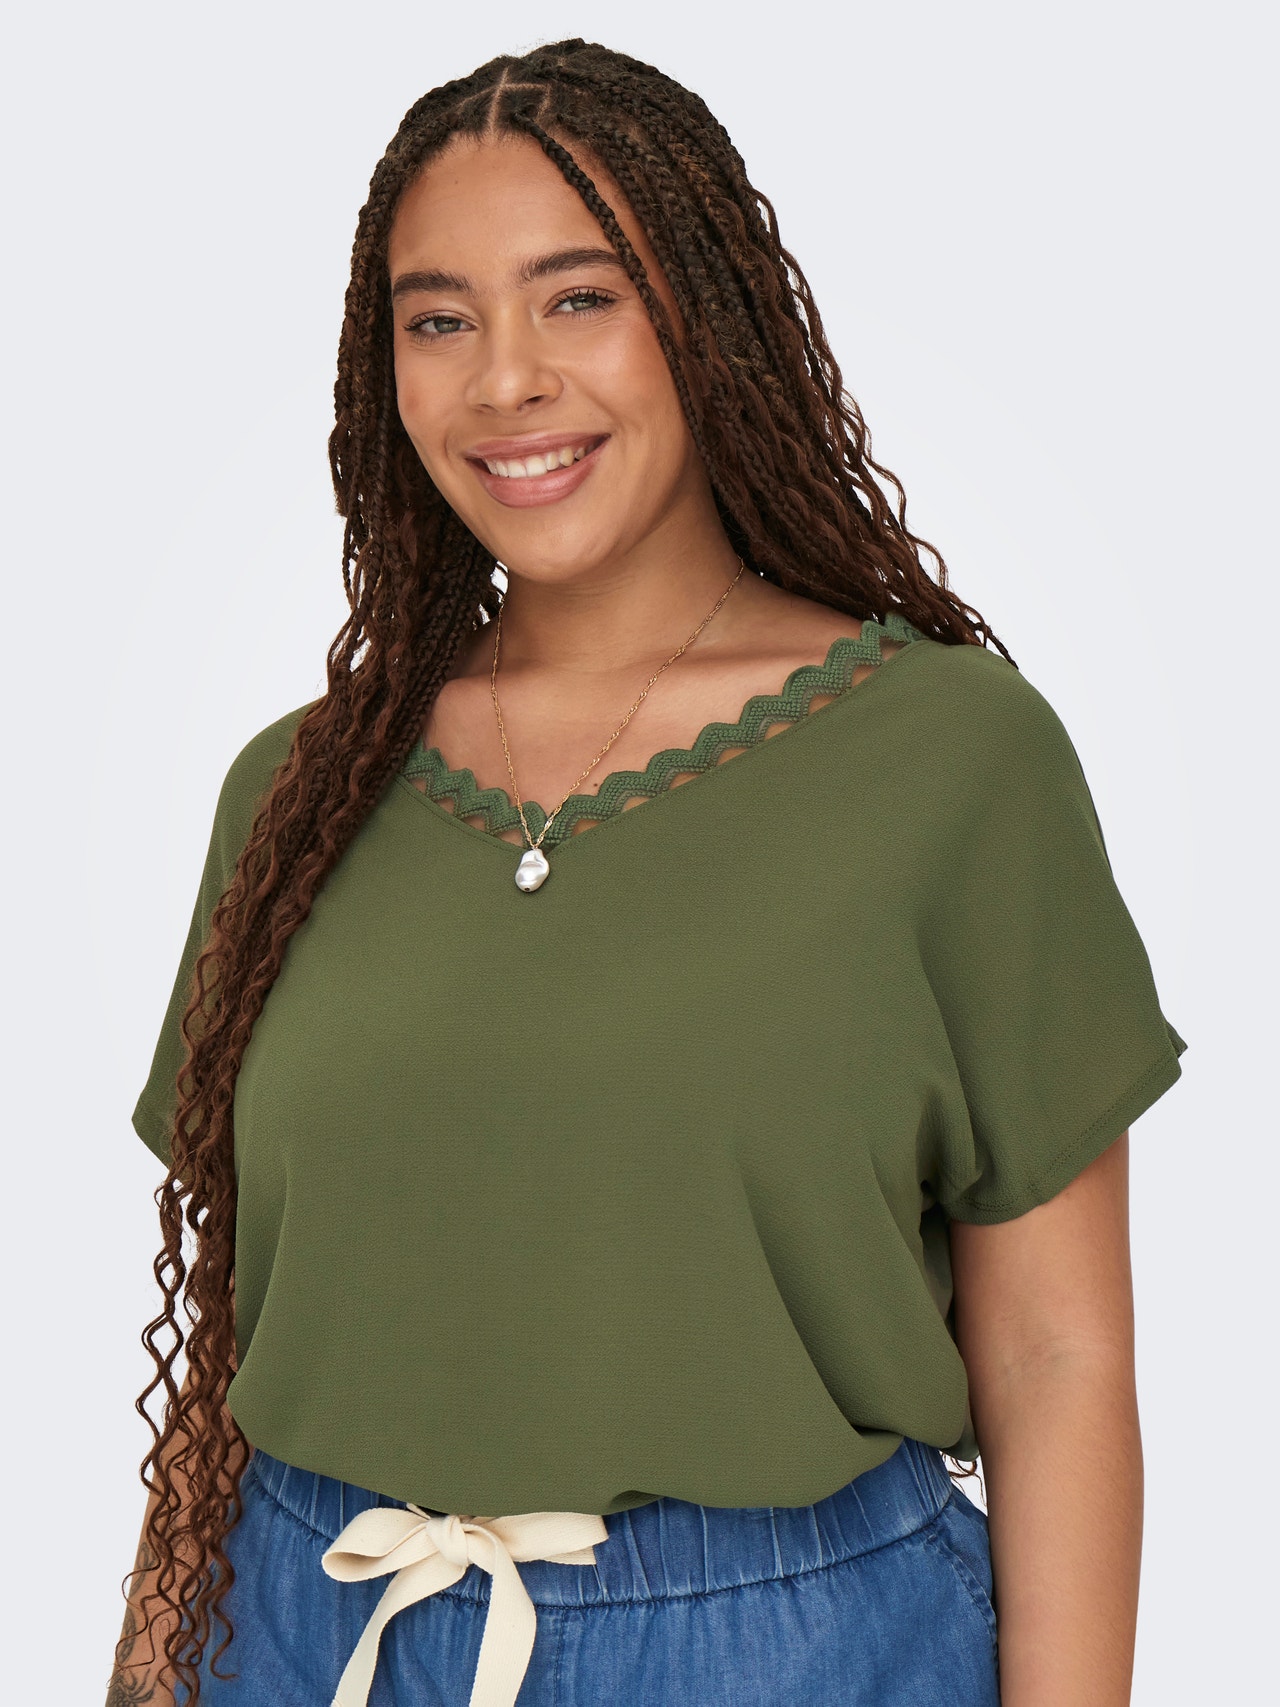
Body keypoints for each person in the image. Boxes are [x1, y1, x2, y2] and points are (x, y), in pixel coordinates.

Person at [108, 38, 1186, 1707]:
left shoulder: (953, 762)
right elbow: (230, 1351)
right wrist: (145, 1667)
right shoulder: (297, 793)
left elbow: (1056, 1356)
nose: (506, 380)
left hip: (794, 1654)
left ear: (707, 318)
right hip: (311, 1625)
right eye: (439, 320)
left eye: (578, 298)